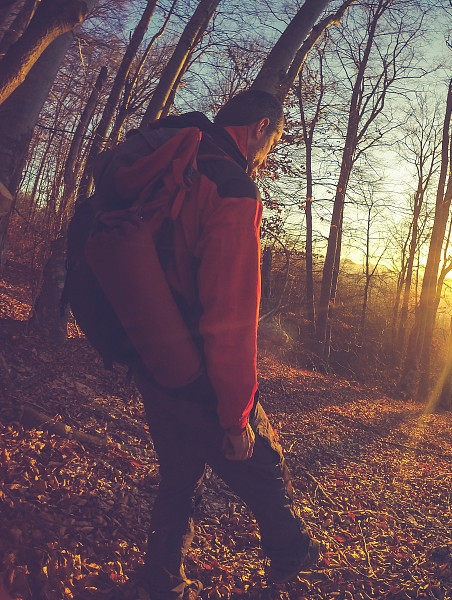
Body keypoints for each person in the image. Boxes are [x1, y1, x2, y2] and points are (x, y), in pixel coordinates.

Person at [90, 90, 319, 599]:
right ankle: (292, 561)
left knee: (177, 474)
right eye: (273, 140)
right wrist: (236, 416)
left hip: (150, 350)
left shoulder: (172, 161)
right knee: (258, 461)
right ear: (261, 127)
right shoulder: (232, 189)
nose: (267, 153)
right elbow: (231, 316)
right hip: (199, 367)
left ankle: (161, 580)